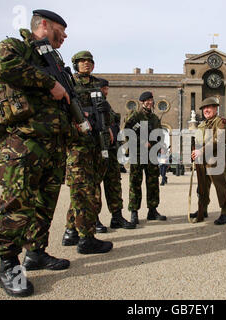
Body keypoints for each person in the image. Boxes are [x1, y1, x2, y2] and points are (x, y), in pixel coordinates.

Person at [0, 9, 72, 297]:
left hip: (53, 147)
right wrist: (50, 83)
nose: (63, 38)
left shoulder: (56, 61)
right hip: (24, 144)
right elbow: (3, 67)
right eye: (59, 33)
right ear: (44, 25)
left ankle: (37, 252)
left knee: (45, 205)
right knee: (17, 204)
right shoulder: (16, 47)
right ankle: (9, 264)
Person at [61, 50, 114, 254]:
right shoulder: (69, 82)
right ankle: (86, 238)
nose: (86, 64)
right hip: (78, 143)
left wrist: (108, 126)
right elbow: (64, 108)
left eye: (89, 61)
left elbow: (105, 110)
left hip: (96, 141)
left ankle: (71, 231)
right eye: (82, 61)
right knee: (83, 190)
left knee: (85, 189)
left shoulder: (97, 84)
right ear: (75, 64)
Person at [96, 78, 136, 231]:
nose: (105, 91)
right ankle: (94, 219)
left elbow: (114, 123)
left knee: (113, 184)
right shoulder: (93, 105)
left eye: (106, 88)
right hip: (97, 150)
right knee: (94, 186)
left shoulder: (108, 106)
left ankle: (117, 217)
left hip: (112, 151)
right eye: (102, 88)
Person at [123, 91, 166, 224]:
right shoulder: (135, 116)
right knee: (135, 183)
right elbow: (127, 132)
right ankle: (134, 212)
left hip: (152, 154)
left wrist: (159, 145)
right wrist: (142, 142)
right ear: (142, 102)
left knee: (153, 183)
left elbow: (159, 134)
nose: (149, 102)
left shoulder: (154, 118)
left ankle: (152, 210)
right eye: (146, 100)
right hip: (137, 153)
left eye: (151, 100)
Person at [191, 97, 226, 225]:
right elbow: (197, 142)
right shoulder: (202, 124)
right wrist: (193, 152)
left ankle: (225, 212)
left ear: (215, 108)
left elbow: (218, 140)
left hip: (216, 160)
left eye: (209, 108)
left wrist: (201, 150)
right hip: (202, 161)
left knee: (221, 187)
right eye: (204, 108)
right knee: (202, 187)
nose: (206, 110)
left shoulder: (221, 122)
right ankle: (202, 210)